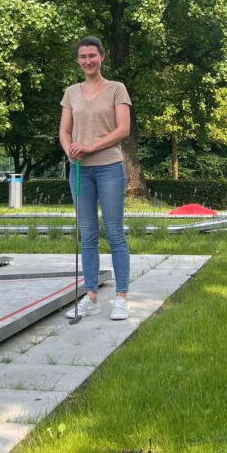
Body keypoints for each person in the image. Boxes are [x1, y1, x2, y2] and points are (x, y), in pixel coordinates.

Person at [59, 36, 132, 321]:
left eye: (92, 55)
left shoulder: (116, 89)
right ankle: (91, 296)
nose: (88, 60)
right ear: (78, 60)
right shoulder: (71, 92)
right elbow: (64, 131)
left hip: (108, 167)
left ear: (102, 56)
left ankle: (122, 297)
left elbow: (122, 129)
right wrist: (70, 150)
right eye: (82, 56)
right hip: (79, 170)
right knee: (87, 235)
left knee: (114, 233)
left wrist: (90, 146)